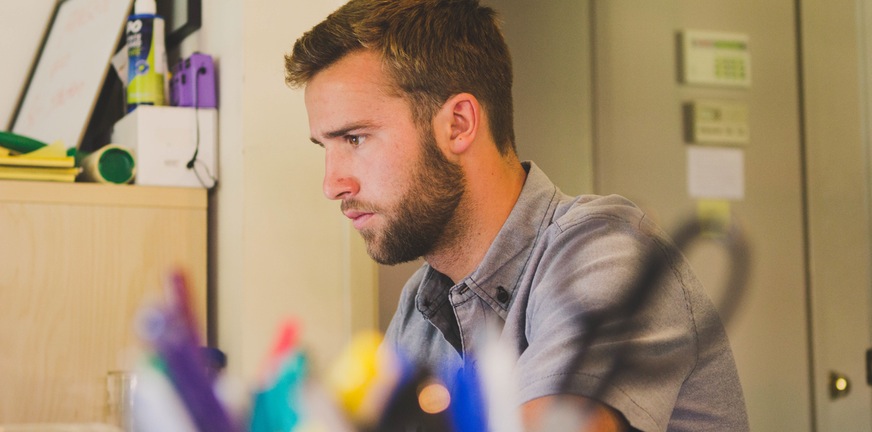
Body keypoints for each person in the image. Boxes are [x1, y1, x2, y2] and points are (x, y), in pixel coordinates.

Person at [284, 0, 749, 430]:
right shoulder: (419, 307)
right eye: (325, 147)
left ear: (459, 124)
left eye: (354, 139)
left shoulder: (608, 251)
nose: (332, 184)